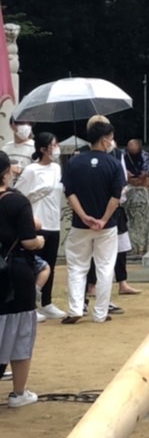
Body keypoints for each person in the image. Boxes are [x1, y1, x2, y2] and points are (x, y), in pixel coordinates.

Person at [61, 118, 123, 324]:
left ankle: (75, 308)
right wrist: (103, 219)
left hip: (80, 225)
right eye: (111, 138)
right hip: (107, 226)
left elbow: (69, 193)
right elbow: (116, 197)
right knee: (105, 267)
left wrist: (84, 216)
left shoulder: (74, 162)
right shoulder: (114, 164)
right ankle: (100, 313)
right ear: (105, 140)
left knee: (77, 267)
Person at [0, 152, 46, 406]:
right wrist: (39, 239)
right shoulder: (17, 202)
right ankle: (19, 392)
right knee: (20, 332)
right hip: (14, 274)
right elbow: (29, 241)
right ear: (7, 171)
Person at [15, 129, 66, 318]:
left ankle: (47, 301)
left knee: (50, 264)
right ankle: (30, 304)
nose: (57, 148)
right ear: (44, 149)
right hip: (37, 222)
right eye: (53, 145)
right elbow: (19, 194)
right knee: (34, 265)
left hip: (54, 222)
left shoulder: (57, 168)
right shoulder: (31, 171)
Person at [123, 138, 149, 258]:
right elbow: (120, 170)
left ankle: (142, 247)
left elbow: (148, 170)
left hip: (143, 184)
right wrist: (127, 175)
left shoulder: (145, 155)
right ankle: (131, 247)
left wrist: (142, 176)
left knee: (143, 221)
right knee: (129, 220)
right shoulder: (122, 155)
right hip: (128, 185)